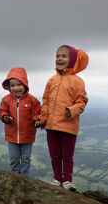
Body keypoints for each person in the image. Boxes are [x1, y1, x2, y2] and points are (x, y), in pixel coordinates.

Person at [35, 45, 88, 191]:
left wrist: (72, 110)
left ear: (72, 60)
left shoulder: (77, 81)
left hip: (68, 126)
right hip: (51, 126)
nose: (60, 58)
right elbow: (46, 102)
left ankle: (67, 180)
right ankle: (57, 178)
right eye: (57, 55)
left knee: (67, 156)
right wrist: (42, 119)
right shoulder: (51, 80)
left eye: (64, 56)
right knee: (55, 155)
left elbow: (82, 101)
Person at [0, 67, 41, 177]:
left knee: (26, 159)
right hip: (12, 136)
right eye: (12, 85)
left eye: (19, 84)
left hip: (27, 136)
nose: (16, 88)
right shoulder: (6, 100)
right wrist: (5, 117)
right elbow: (2, 110)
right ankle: (15, 176)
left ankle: (25, 177)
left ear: (25, 84)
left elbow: (36, 113)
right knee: (14, 159)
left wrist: (37, 120)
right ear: (8, 87)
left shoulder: (33, 100)